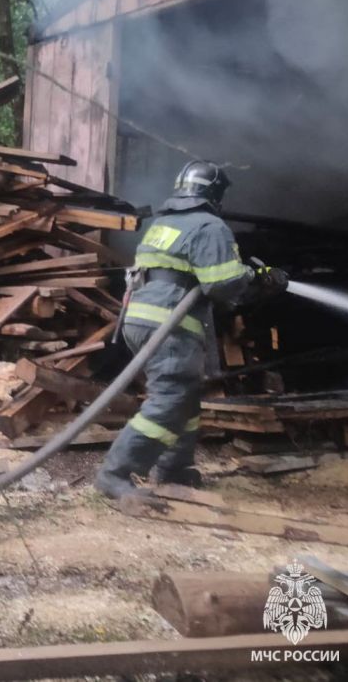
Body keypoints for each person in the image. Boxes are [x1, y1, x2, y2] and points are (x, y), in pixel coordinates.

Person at [95, 160, 287, 500]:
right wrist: (259, 278)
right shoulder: (210, 226)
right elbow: (222, 283)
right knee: (169, 398)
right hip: (169, 323)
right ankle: (115, 472)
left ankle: (173, 468)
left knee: (184, 397)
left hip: (140, 320)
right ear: (214, 194)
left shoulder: (165, 224)